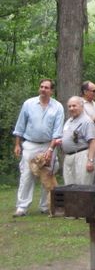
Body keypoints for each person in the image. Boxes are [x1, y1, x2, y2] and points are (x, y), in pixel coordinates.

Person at [12, 79, 64, 217]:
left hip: (48, 144)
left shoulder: (57, 107)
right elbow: (20, 126)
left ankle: (45, 206)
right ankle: (22, 207)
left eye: (46, 88)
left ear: (51, 90)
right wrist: (17, 144)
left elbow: (57, 131)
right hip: (30, 144)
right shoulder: (28, 104)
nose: (43, 89)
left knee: (48, 175)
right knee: (26, 175)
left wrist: (50, 150)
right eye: (41, 87)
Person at [61, 96, 95, 186]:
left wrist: (90, 160)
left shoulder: (87, 121)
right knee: (68, 187)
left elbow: (92, 142)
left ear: (81, 106)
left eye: (74, 106)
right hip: (68, 157)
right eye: (69, 106)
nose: (71, 108)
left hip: (82, 156)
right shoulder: (69, 121)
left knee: (82, 186)